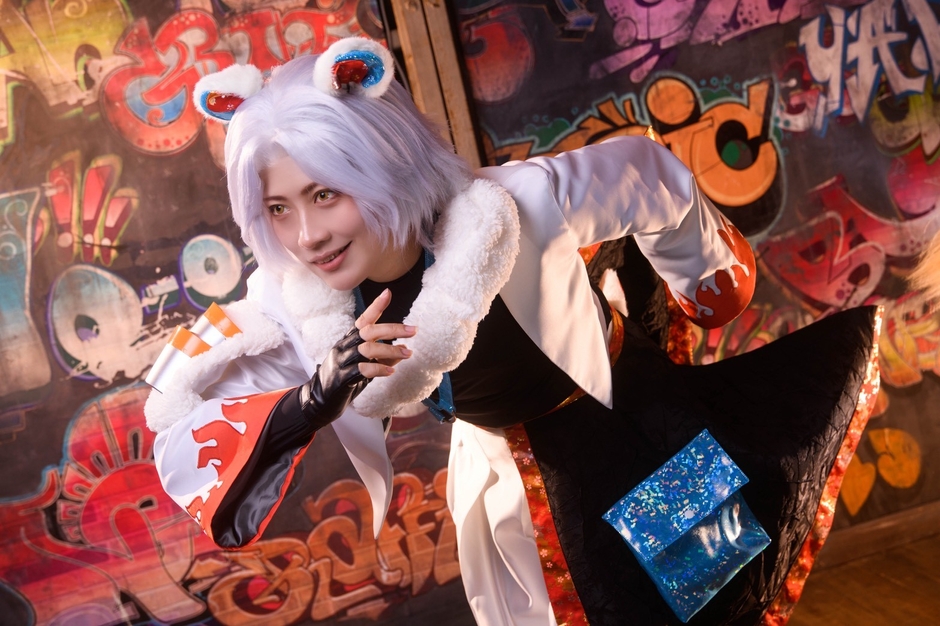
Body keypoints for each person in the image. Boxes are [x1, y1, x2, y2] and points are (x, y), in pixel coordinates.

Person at [144, 38, 880, 625]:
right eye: (278, 209)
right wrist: (310, 401)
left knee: (700, 598)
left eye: (325, 195)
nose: (306, 236)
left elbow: (647, 170)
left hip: (629, 424)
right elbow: (178, 419)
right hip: (504, 463)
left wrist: (707, 279)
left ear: (383, 165)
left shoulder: (522, 201)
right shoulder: (292, 296)